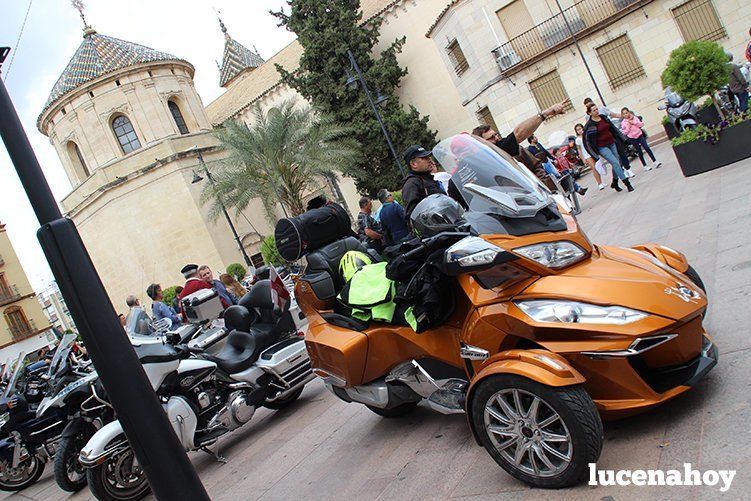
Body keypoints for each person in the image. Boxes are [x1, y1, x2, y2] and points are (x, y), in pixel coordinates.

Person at [582, 102, 634, 192]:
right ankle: (627, 183)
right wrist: (594, 155)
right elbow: (586, 142)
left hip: (612, 143)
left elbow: (613, 128)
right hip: (602, 147)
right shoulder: (589, 125)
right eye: (594, 111)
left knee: (616, 163)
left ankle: (614, 182)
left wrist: (623, 138)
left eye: (597, 109)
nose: (596, 111)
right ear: (589, 113)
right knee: (615, 163)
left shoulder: (603, 117)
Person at [575, 123, 605, 190]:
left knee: (598, 166)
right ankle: (599, 183)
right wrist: (583, 159)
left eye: (580, 128)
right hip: (587, 155)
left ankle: (601, 182)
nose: (579, 130)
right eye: (577, 130)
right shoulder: (578, 140)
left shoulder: (587, 135)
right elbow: (579, 150)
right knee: (594, 168)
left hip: (593, 152)